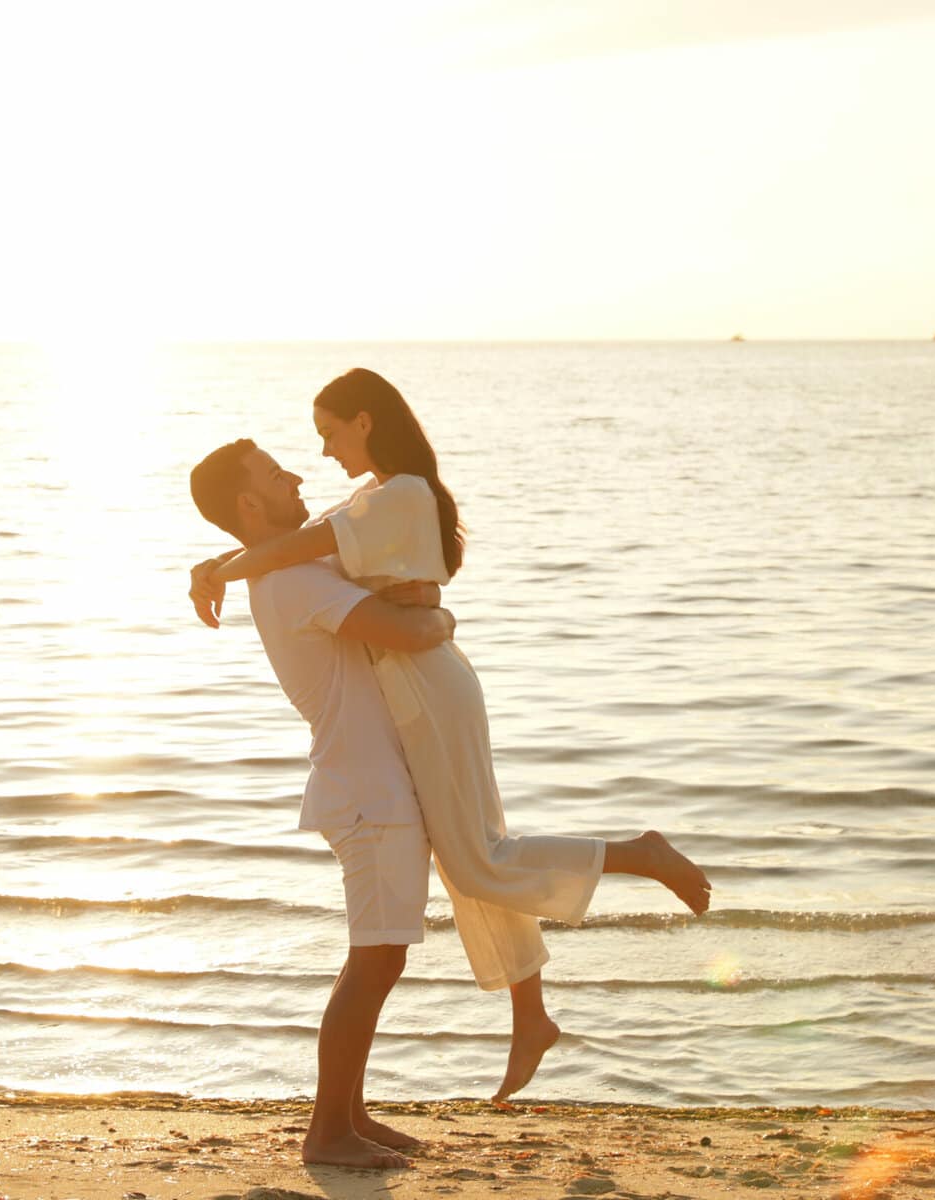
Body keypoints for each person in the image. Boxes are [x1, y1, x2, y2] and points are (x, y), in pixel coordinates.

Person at [189, 369, 711, 1104]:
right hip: (418, 687)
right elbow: (315, 562)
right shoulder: (361, 509)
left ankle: (637, 858)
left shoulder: (390, 495)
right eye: (286, 464)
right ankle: (530, 1015)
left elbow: (316, 565)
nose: (315, 458)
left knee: (477, 858)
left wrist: (218, 565)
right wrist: (217, 563)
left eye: (328, 434)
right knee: (476, 856)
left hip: (425, 686)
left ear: (365, 423)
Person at [189, 438, 455, 1170]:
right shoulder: (292, 583)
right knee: (372, 962)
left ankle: (349, 1113)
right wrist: (442, 617)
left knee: (381, 958)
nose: (297, 475)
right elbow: (404, 632)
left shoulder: (291, 568)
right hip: (365, 792)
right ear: (249, 504)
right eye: (276, 474)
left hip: (366, 786)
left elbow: (358, 524)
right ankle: (328, 1134)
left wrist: (213, 563)